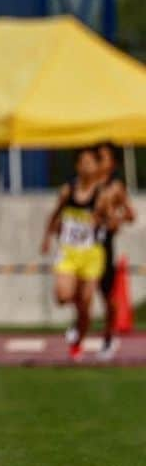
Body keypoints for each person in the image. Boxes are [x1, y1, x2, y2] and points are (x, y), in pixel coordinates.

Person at [41, 146, 106, 360]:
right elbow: (55, 213)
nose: (87, 167)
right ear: (77, 166)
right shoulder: (68, 190)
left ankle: (79, 341)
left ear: (97, 167)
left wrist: (104, 221)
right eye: (83, 163)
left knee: (87, 303)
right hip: (68, 251)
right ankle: (77, 308)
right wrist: (47, 237)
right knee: (62, 296)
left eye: (91, 163)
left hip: (91, 253)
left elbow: (113, 221)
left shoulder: (101, 195)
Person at [95, 142, 137, 360]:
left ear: (112, 163)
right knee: (78, 288)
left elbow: (131, 215)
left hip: (103, 244)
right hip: (82, 247)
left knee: (106, 295)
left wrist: (115, 219)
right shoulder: (84, 185)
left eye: (102, 158)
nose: (97, 163)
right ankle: (79, 326)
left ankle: (108, 337)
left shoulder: (115, 188)